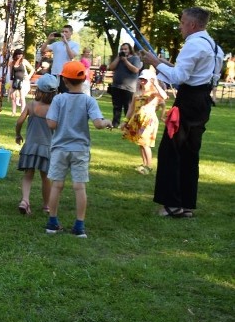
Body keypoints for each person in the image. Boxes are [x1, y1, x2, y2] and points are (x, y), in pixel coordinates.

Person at [142, 7, 223, 218]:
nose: (180, 26)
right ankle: (186, 203)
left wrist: (155, 63)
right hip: (203, 101)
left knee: (172, 150)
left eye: (182, 22)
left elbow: (179, 77)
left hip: (187, 101)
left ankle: (172, 205)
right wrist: (162, 63)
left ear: (192, 25)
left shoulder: (193, 45)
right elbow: (192, 74)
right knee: (190, 152)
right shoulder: (215, 47)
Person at [45, 61, 113, 237]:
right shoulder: (89, 101)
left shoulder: (58, 99)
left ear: (64, 80)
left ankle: (52, 223)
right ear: (84, 80)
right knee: (79, 187)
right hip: (80, 149)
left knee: (57, 185)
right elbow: (98, 124)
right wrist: (107, 122)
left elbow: (51, 123)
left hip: (60, 148)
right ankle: (79, 226)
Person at [14, 74, 57, 216]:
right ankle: (46, 206)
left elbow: (19, 121)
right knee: (46, 177)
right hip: (46, 148)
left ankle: (25, 200)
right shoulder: (54, 109)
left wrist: (18, 134)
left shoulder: (31, 105)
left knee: (28, 175)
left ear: (38, 90)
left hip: (30, 146)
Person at [122, 70, 168, 175]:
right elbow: (131, 109)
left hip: (148, 121)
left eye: (145, 80)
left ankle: (149, 166)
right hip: (137, 120)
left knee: (145, 143)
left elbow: (164, 97)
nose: (142, 81)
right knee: (140, 143)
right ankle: (144, 164)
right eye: (141, 79)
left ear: (150, 80)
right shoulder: (137, 93)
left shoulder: (154, 93)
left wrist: (156, 84)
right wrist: (125, 121)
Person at [108, 43, 142, 126]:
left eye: (125, 49)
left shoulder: (135, 58)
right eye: (122, 49)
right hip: (116, 86)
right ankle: (115, 123)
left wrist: (125, 61)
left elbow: (135, 70)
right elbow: (111, 67)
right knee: (116, 107)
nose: (123, 51)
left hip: (129, 88)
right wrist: (118, 58)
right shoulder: (119, 58)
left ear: (130, 50)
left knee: (128, 107)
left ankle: (128, 124)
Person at [40, 25, 80, 92]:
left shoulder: (74, 44)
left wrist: (66, 43)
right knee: (53, 95)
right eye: (63, 31)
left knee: (65, 94)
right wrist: (48, 39)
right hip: (55, 73)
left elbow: (71, 56)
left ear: (71, 33)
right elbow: (42, 50)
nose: (64, 33)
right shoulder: (56, 44)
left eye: (66, 32)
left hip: (66, 74)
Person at [8, 49, 34, 116]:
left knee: (22, 97)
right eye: (18, 54)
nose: (19, 55)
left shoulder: (24, 61)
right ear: (15, 55)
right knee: (13, 96)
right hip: (15, 80)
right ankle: (13, 112)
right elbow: (11, 74)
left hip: (23, 81)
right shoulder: (12, 63)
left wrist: (29, 77)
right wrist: (11, 83)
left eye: (21, 54)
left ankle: (22, 112)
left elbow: (32, 69)